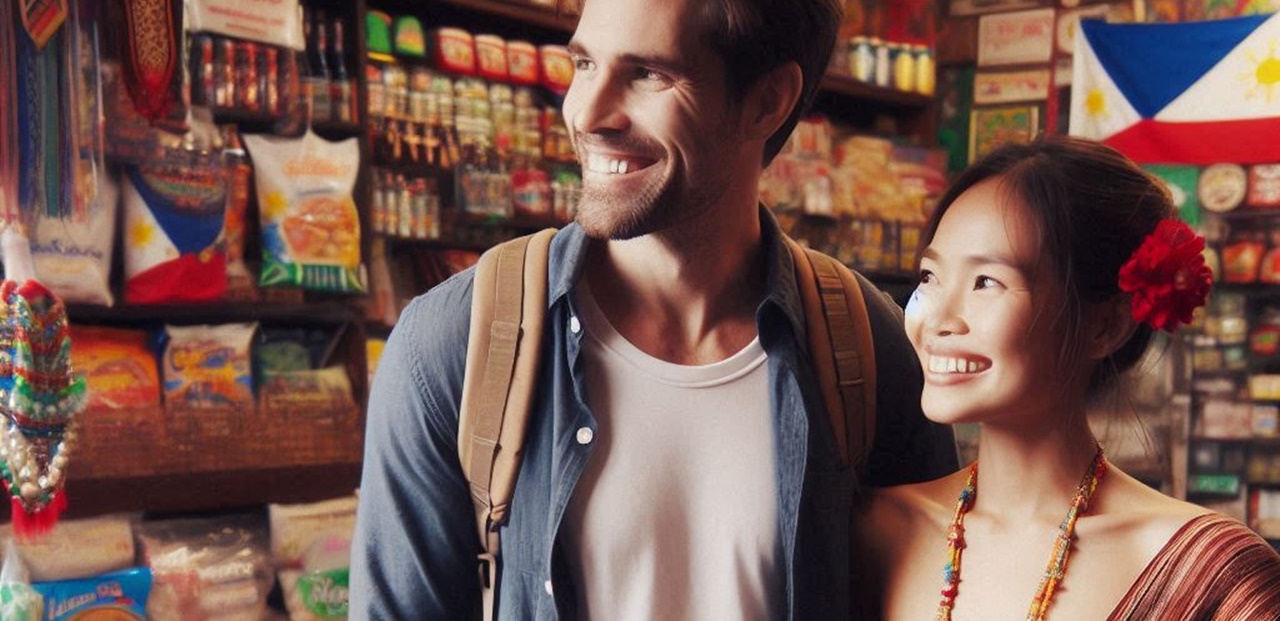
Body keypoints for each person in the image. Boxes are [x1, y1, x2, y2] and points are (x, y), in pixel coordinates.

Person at [348, 0, 958, 618]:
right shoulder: (453, 344)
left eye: (648, 74)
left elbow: (946, 592)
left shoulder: (868, 349)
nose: (587, 113)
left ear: (768, 101)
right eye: (584, 63)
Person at [856, 136, 1280, 620]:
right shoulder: (873, 531)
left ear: (1106, 326)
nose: (938, 320)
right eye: (930, 277)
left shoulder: (1212, 579)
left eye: (986, 282)